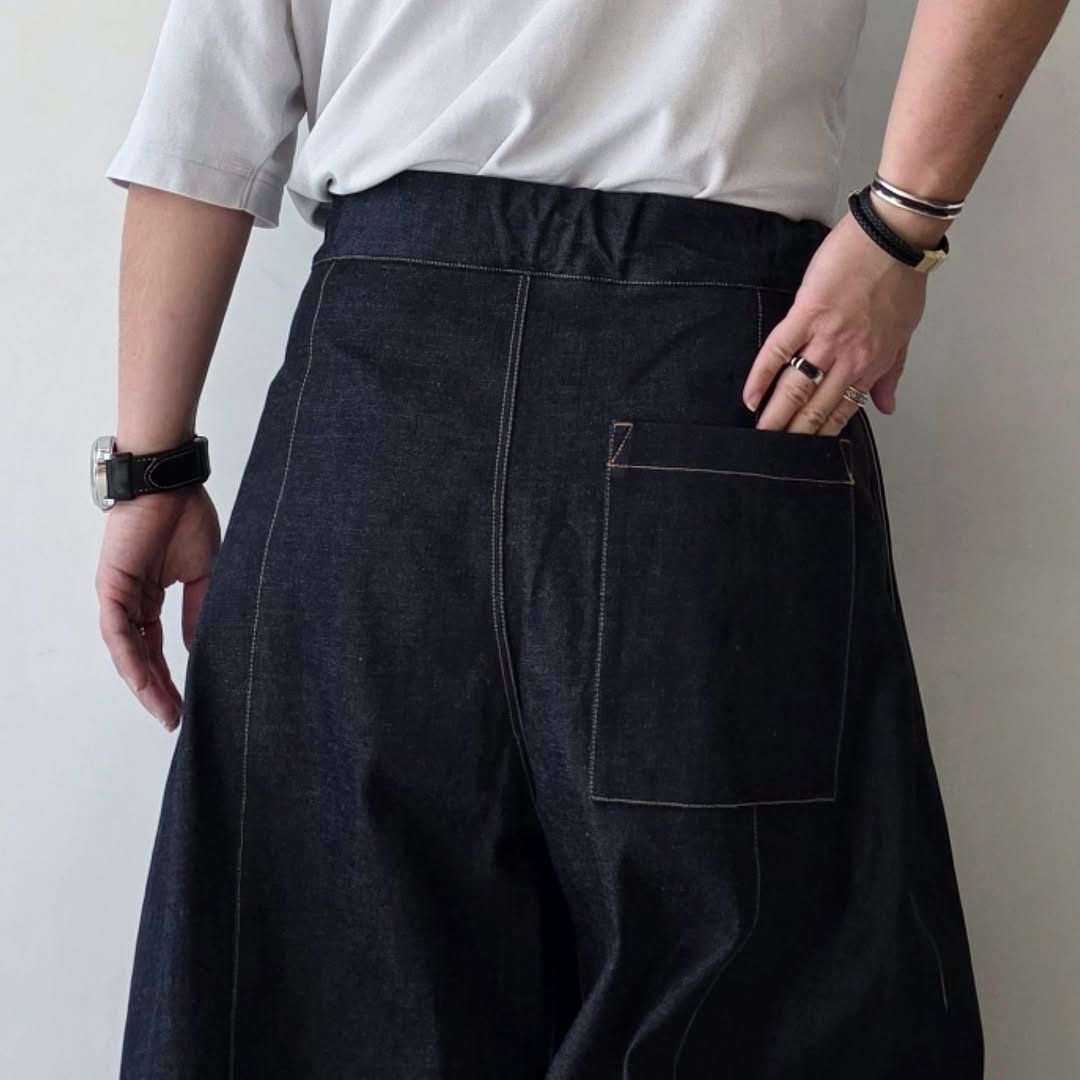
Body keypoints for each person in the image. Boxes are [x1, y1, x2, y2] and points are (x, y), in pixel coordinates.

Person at [94, 1, 1069, 1076]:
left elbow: (208, 110)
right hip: (713, 381)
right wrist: (898, 231)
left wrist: (151, 470)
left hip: (379, 408)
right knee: (750, 1006)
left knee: (331, 996)